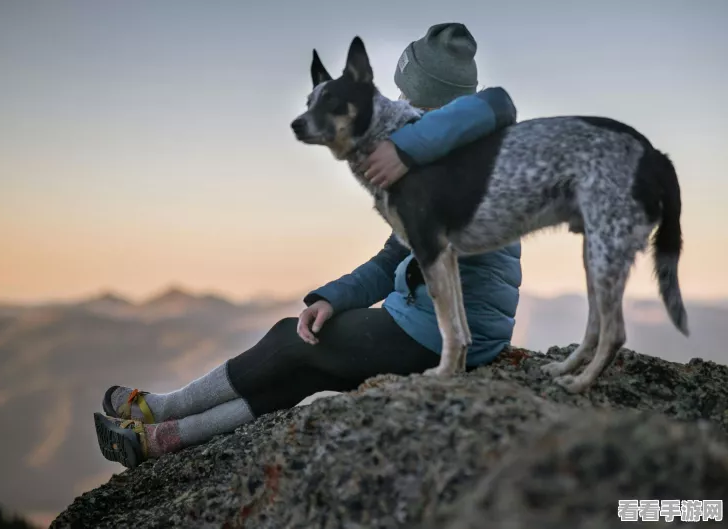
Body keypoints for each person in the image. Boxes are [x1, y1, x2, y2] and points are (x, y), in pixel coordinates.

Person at [93, 22, 523, 469]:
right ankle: (161, 440)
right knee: (304, 364)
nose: (396, 103)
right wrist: (332, 299)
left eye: (405, 93)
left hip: (448, 334)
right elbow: (393, 256)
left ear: (430, 101)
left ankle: (162, 409)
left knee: (290, 341)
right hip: (427, 320)